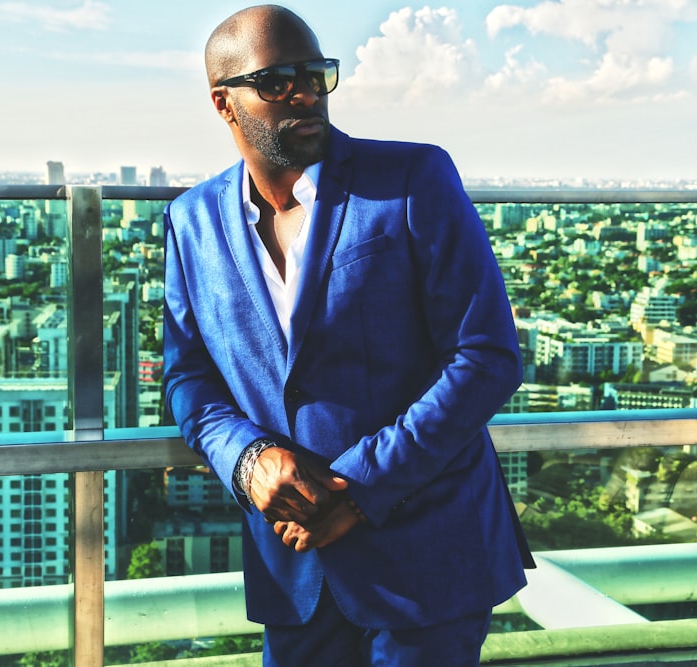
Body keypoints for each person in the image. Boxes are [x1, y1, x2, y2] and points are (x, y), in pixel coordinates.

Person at [163, 5, 534, 665]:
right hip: (294, 568)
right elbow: (189, 377)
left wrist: (357, 489)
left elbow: (487, 356)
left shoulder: (413, 180)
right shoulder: (190, 222)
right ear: (224, 103)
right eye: (277, 81)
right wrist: (248, 460)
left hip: (427, 559)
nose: (305, 92)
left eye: (316, 74)